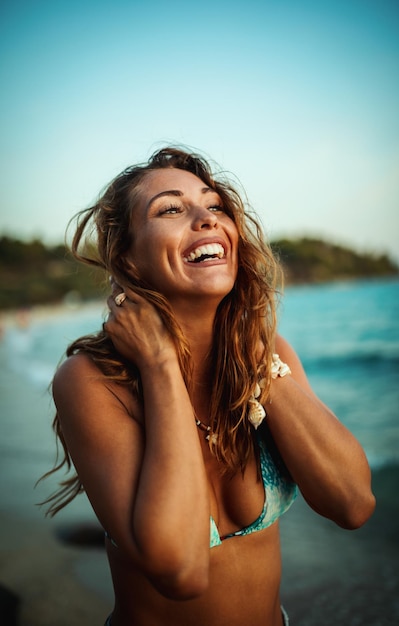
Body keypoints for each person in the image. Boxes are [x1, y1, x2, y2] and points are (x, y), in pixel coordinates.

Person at [41, 147, 375, 626]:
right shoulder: (91, 380)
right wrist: (158, 363)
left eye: (215, 205)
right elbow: (183, 571)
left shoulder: (269, 352)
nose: (207, 219)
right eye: (171, 209)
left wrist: (254, 355)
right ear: (129, 260)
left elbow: (353, 503)